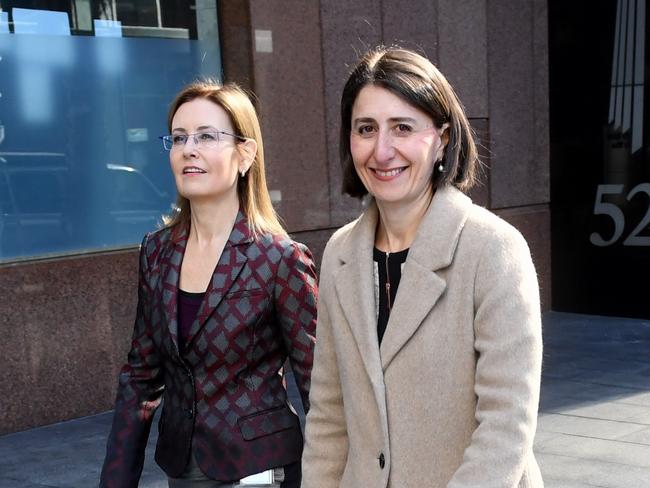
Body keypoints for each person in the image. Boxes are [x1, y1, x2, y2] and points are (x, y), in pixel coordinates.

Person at [301, 46, 543, 488]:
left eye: (403, 128)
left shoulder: (492, 249)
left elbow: (507, 426)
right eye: (366, 128)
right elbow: (329, 416)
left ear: (443, 138)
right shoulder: (339, 254)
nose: (382, 149)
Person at [100, 80, 317, 488]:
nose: (188, 149)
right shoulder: (158, 251)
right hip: (182, 466)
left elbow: (318, 388)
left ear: (245, 154)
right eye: (179, 137)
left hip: (260, 465)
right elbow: (141, 376)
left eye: (206, 136)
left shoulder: (280, 259)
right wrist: (115, 480)